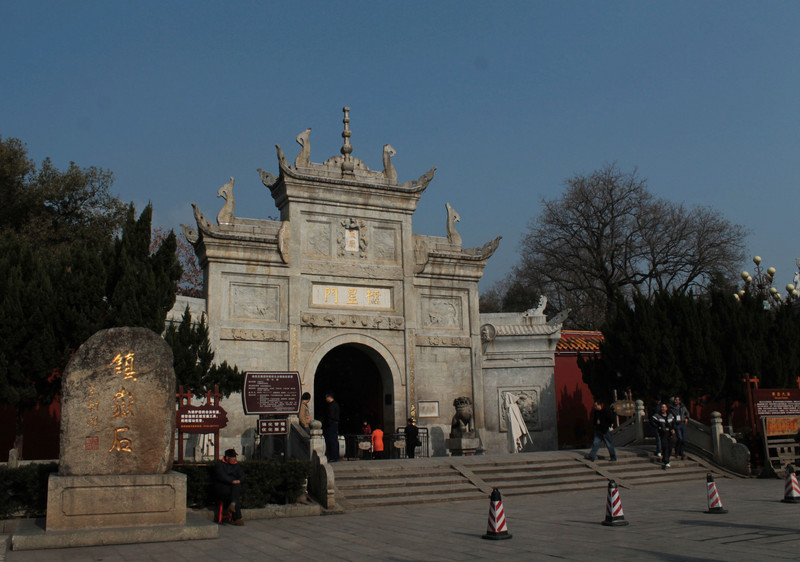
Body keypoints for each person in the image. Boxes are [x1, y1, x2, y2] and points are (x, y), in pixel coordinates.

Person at [212, 448, 245, 525]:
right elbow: (222, 476)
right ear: (227, 458)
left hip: (233, 488)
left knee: (236, 488)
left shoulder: (236, 465)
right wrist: (232, 481)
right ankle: (237, 517)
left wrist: (239, 480)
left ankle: (233, 505)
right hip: (222, 488)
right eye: (233, 457)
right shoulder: (220, 465)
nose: (234, 459)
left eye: (235, 457)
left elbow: (242, 475)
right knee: (235, 493)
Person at [651, 403, 676, 468]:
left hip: (669, 433)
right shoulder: (657, 415)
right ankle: (666, 461)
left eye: (664, 407)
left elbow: (673, 422)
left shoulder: (670, 415)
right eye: (662, 407)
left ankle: (666, 457)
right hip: (662, 433)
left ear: (666, 408)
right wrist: (658, 427)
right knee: (665, 447)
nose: (663, 409)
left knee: (670, 447)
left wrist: (673, 429)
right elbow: (652, 421)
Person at [322, 392, 340, 462]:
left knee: (332, 441)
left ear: (329, 397)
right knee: (334, 441)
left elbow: (331, 416)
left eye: (326, 397)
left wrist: (326, 423)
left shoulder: (332, 405)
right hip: (334, 424)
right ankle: (334, 456)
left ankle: (333, 457)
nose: (326, 399)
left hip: (331, 425)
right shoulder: (335, 405)